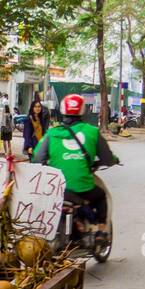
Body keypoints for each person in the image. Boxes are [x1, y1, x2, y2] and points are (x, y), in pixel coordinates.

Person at [33, 93, 117, 244]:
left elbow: (37, 159)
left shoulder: (52, 133)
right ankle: (101, 231)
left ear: (63, 111)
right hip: (82, 187)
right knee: (100, 195)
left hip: (56, 188)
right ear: (83, 110)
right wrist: (112, 161)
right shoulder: (92, 132)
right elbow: (107, 159)